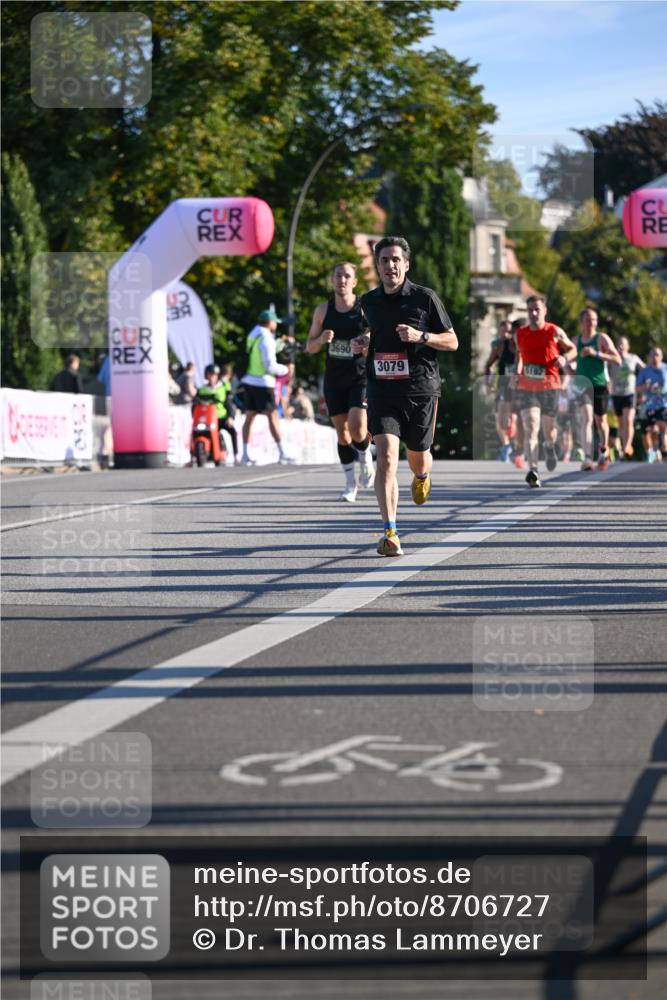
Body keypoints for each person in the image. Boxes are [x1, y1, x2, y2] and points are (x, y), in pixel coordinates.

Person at [352, 236, 458, 556]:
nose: (390, 266)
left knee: (417, 458)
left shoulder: (424, 298)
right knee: (384, 456)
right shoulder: (368, 302)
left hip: (420, 389)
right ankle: (390, 532)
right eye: (384, 260)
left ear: (406, 264)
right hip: (382, 389)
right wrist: (363, 342)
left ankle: (422, 474)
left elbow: (452, 341)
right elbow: (369, 332)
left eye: (396, 260)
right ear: (378, 266)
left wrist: (421, 336)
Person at [306, 262, 375, 502]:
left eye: (347, 276)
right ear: (332, 280)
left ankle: (365, 457)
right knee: (343, 435)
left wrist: (366, 339)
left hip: (359, 376)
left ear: (354, 282)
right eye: (338, 276)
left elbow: (377, 336)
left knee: (357, 425)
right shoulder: (323, 311)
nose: (342, 280)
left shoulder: (364, 308)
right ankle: (349, 483)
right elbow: (309, 346)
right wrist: (322, 339)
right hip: (334, 379)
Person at [512, 295, 577, 488]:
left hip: (550, 387)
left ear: (544, 311)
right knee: (531, 426)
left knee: (549, 431)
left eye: (537, 309)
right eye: (530, 310)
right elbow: (519, 355)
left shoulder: (554, 331)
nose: (533, 313)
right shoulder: (520, 333)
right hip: (527, 387)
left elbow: (573, 349)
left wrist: (565, 359)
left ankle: (549, 447)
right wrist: (516, 373)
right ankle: (533, 470)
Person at [240, 307, 295, 464]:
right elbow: (269, 365)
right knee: (273, 416)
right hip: (263, 382)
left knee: (249, 417)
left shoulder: (253, 334)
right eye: (275, 322)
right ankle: (282, 452)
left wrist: (280, 343)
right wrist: (286, 369)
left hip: (249, 380)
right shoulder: (267, 338)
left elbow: (257, 352)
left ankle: (245, 455)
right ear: (270, 323)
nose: (276, 325)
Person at [572, 307, 620, 471]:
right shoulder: (576, 341)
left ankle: (604, 449)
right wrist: (570, 370)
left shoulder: (601, 339)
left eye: (593, 320)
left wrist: (596, 353)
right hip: (583, 385)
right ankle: (587, 458)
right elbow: (568, 360)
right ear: (581, 322)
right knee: (586, 418)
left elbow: (617, 359)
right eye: (587, 320)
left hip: (600, 384)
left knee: (601, 422)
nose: (591, 323)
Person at [483, 320, 518, 462]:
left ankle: (516, 447)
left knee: (513, 420)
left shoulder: (520, 346)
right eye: (503, 331)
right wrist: (487, 383)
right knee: (500, 420)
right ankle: (506, 446)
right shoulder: (498, 346)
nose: (505, 334)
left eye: (508, 331)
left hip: (517, 387)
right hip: (502, 386)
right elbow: (488, 365)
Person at [609, 336, 643, 459]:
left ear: (628, 347)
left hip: (630, 393)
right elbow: (605, 374)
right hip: (616, 395)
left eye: (624, 344)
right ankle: (625, 446)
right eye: (619, 344)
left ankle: (627, 446)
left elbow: (645, 370)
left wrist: (643, 387)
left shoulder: (633, 358)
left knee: (628, 420)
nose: (621, 347)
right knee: (621, 424)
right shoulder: (612, 360)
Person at [194, 363, 232, 459]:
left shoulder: (222, 388)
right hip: (205, 419)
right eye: (210, 374)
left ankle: (235, 455)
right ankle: (192, 455)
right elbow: (195, 403)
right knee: (194, 432)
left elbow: (228, 403)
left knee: (232, 431)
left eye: (214, 375)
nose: (212, 377)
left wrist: (231, 416)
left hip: (220, 417)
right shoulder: (202, 389)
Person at [636, 346, 667, 463]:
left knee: (663, 426)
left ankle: (663, 448)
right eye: (652, 355)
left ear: (661, 356)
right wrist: (646, 386)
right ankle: (655, 450)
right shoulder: (645, 371)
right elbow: (637, 388)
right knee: (651, 430)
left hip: (664, 404)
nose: (655, 357)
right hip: (649, 405)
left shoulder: (666, 369)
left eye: (657, 355)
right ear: (648, 357)